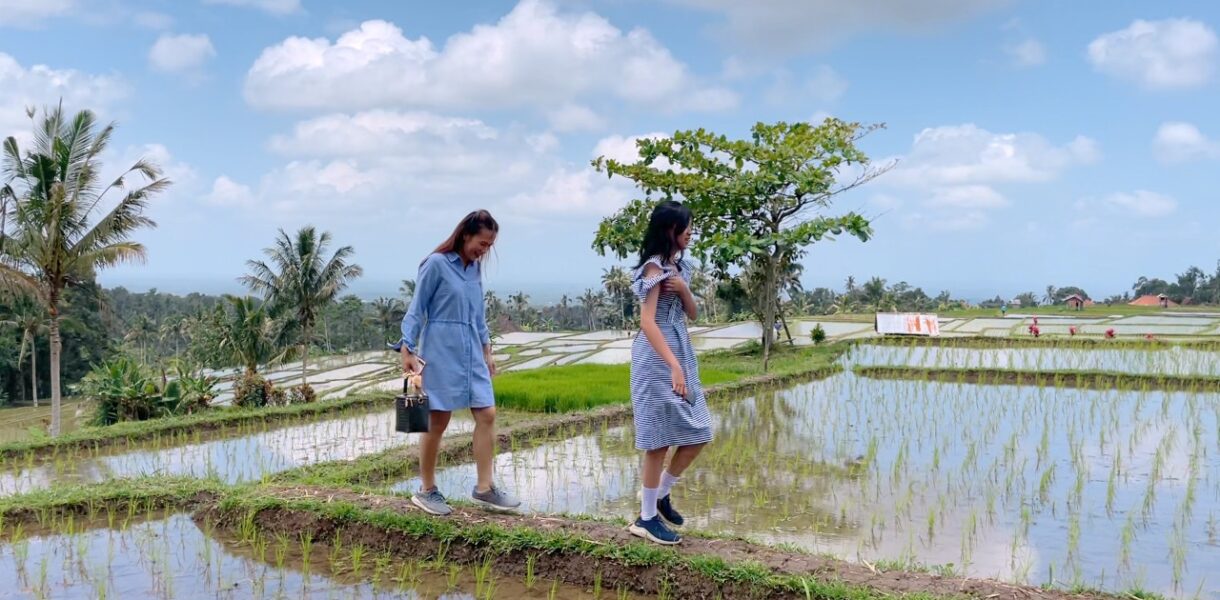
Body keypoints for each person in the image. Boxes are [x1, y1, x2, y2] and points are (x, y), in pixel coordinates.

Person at [391, 210, 520, 515]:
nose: (484, 250)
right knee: (438, 420)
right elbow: (417, 307)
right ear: (465, 234)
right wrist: (406, 348)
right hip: (440, 347)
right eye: (482, 243)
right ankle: (426, 489)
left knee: (487, 412)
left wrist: (487, 352)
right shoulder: (436, 264)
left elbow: (478, 316)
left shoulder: (474, 270)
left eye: (489, 246)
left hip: (471, 349)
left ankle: (485, 488)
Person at [627, 200, 712, 545]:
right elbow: (647, 322)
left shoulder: (681, 268)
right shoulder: (653, 269)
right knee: (658, 441)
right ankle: (646, 519)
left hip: (680, 352)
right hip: (656, 357)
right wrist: (673, 364)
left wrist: (684, 288)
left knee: (700, 432)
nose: (691, 232)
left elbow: (692, 314)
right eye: (686, 227)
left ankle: (660, 495)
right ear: (669, 231)